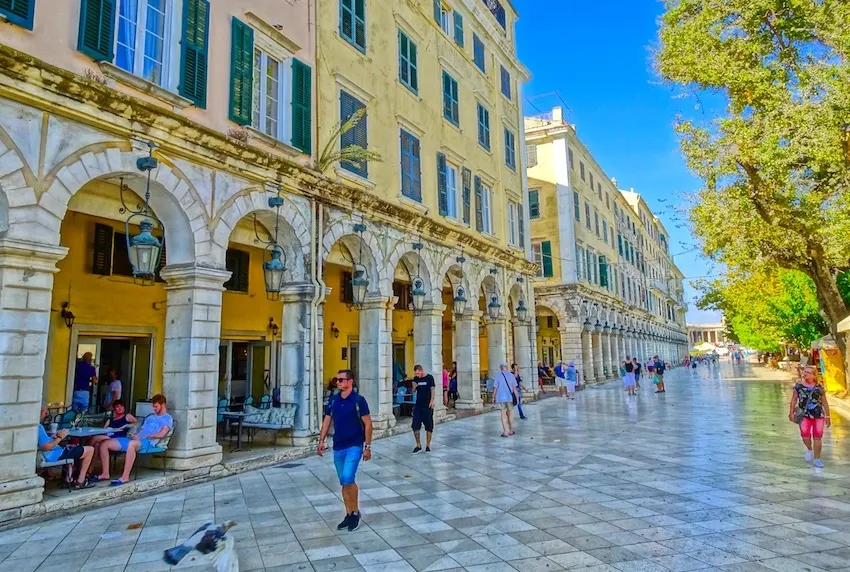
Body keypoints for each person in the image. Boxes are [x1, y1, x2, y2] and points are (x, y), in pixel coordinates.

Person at [318, 370, 372, 532]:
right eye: (337, 380)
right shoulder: (333, 401)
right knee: (343, 480)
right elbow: (327, 420)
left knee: (348, 477)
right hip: (338, 445)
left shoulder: (358, 401)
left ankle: (355, 512)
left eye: (341, 380)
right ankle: (348, 514)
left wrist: (367, 446)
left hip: (354, 445)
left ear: (350, 381)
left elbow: (368, 423)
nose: (338, 383)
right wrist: (321, 440)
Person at [93, 394, 173, 486]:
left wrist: (143, 437)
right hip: (137, 438)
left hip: (148, 441)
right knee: (104, 444)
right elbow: (141, 430)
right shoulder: (150, 417)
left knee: (132, 444)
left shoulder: (167, 418)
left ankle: (125, 477)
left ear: (162, 405)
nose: (154, 409)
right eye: (153, 407)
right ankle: (105, 474)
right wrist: (135, 435)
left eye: (156, 406)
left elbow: (161, 434)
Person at [37, 406, 96, 489]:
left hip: (53, 452)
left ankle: (68, 480)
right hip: (53, 454)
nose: (46, 414)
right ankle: (81, 481)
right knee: (90, 449)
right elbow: (46, 447)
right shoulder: (38, 427)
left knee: (71, 447)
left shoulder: (34, 426)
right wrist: (60, 437)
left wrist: (53, 437)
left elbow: (44, 443)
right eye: (44, 411)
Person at [789, 366, 831, 468]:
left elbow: (824, 402)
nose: (805, 373)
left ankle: (817, 459)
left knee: (817, 436)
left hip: (818, 415)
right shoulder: (798, 386)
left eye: (808, 372)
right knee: (805, 435)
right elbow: (794, 399)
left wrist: (828, 416)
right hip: (804, 415)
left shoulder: (819, 387)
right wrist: (791, 412)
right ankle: (809, 449)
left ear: (814, 375)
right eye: (805, 372)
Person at [88, 399, 137, 469]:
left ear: (124, 407)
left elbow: (136, 422)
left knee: (94, 438)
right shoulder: (110, 420)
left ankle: (87, 453)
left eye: (121, 406)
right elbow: (103, 430)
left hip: (117, 437)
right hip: (107, 435)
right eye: (117, 407)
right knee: (96, 445)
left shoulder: (127, 416)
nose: (120, 408)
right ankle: (89, 469)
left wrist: (126, 426)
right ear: (114, 409)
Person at [411, 365, 436, 453]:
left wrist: (432, 400)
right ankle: (418, 445)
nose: (417, 375)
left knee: (429, 426)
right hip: (418, 405)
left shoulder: (429, 378)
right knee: (415, 425)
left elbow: (432, 389)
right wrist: (414, 387)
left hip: (427, 405)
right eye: (416, 373)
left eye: (418, 373)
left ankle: (428, 445)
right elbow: (413, 391)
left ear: (421, 371)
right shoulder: (415, 379)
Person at [493, 362, 518, 437]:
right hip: (509, 398)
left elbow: (495, 388)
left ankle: (505, 432)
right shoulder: (511, 376)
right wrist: (517, 398)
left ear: (501, 368)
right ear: (507, 367)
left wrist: (493, 397)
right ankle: (511, 430)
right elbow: (514, 389)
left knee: (503, 414)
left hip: (500, 398)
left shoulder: (498, 376)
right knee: (510, 414)